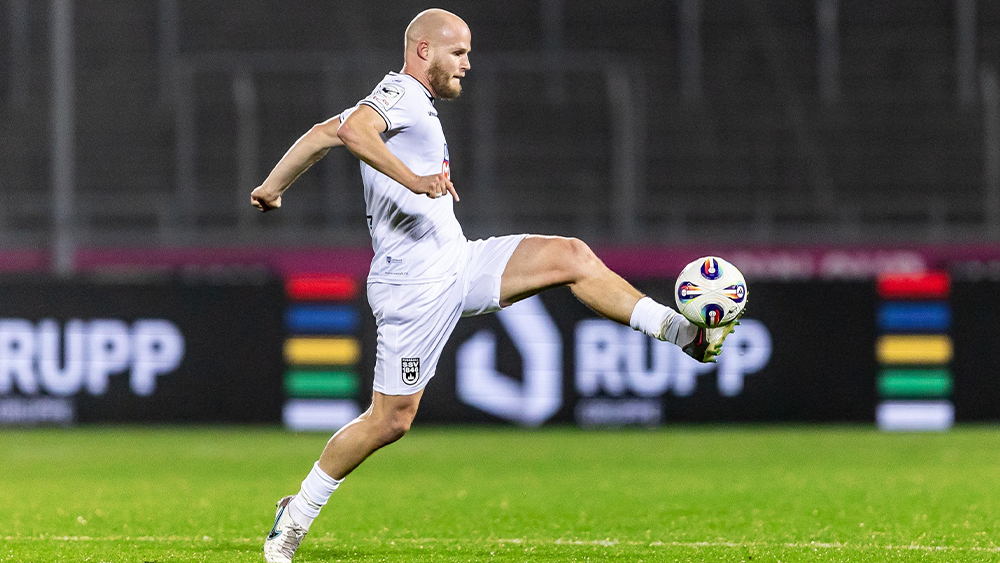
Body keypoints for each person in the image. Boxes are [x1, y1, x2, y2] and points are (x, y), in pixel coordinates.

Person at [252, 9, 738, 562]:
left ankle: (683, 334)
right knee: (390, 421)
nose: (466, 64)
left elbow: (323, 133)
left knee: (570, 256)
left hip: (456, 261)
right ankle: (296, 513)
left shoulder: (399, 101)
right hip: (413, 288)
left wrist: (272, 187)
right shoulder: (401, 94)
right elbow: (350, 131)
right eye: (457, 53)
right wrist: (415, 179)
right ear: (422, 52)